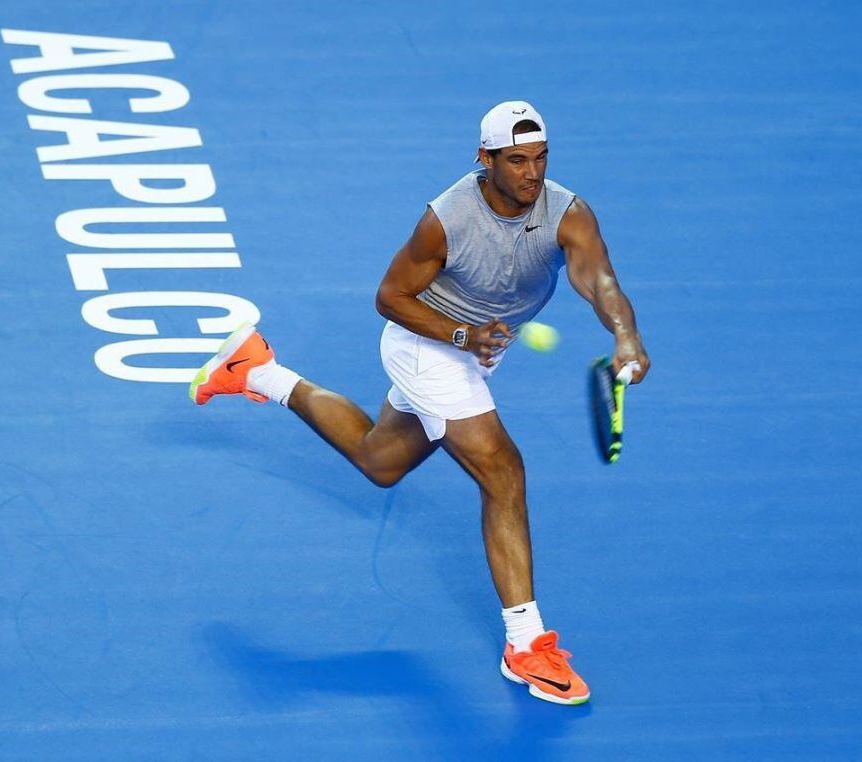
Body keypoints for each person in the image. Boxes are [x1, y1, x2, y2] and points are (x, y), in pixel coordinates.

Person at [189, 101, 650, 705]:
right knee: (502, 469)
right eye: (516, 161)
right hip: (426, 344)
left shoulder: (567, 212)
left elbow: (599, 280)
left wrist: (624, 333)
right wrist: (460, 335)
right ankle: (526, 645)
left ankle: (260, 369)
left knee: (381, 462)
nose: (531, 174)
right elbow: (390, 295)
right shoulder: (447, 218)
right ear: (484, 159)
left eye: (540, 159)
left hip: (478, 350)